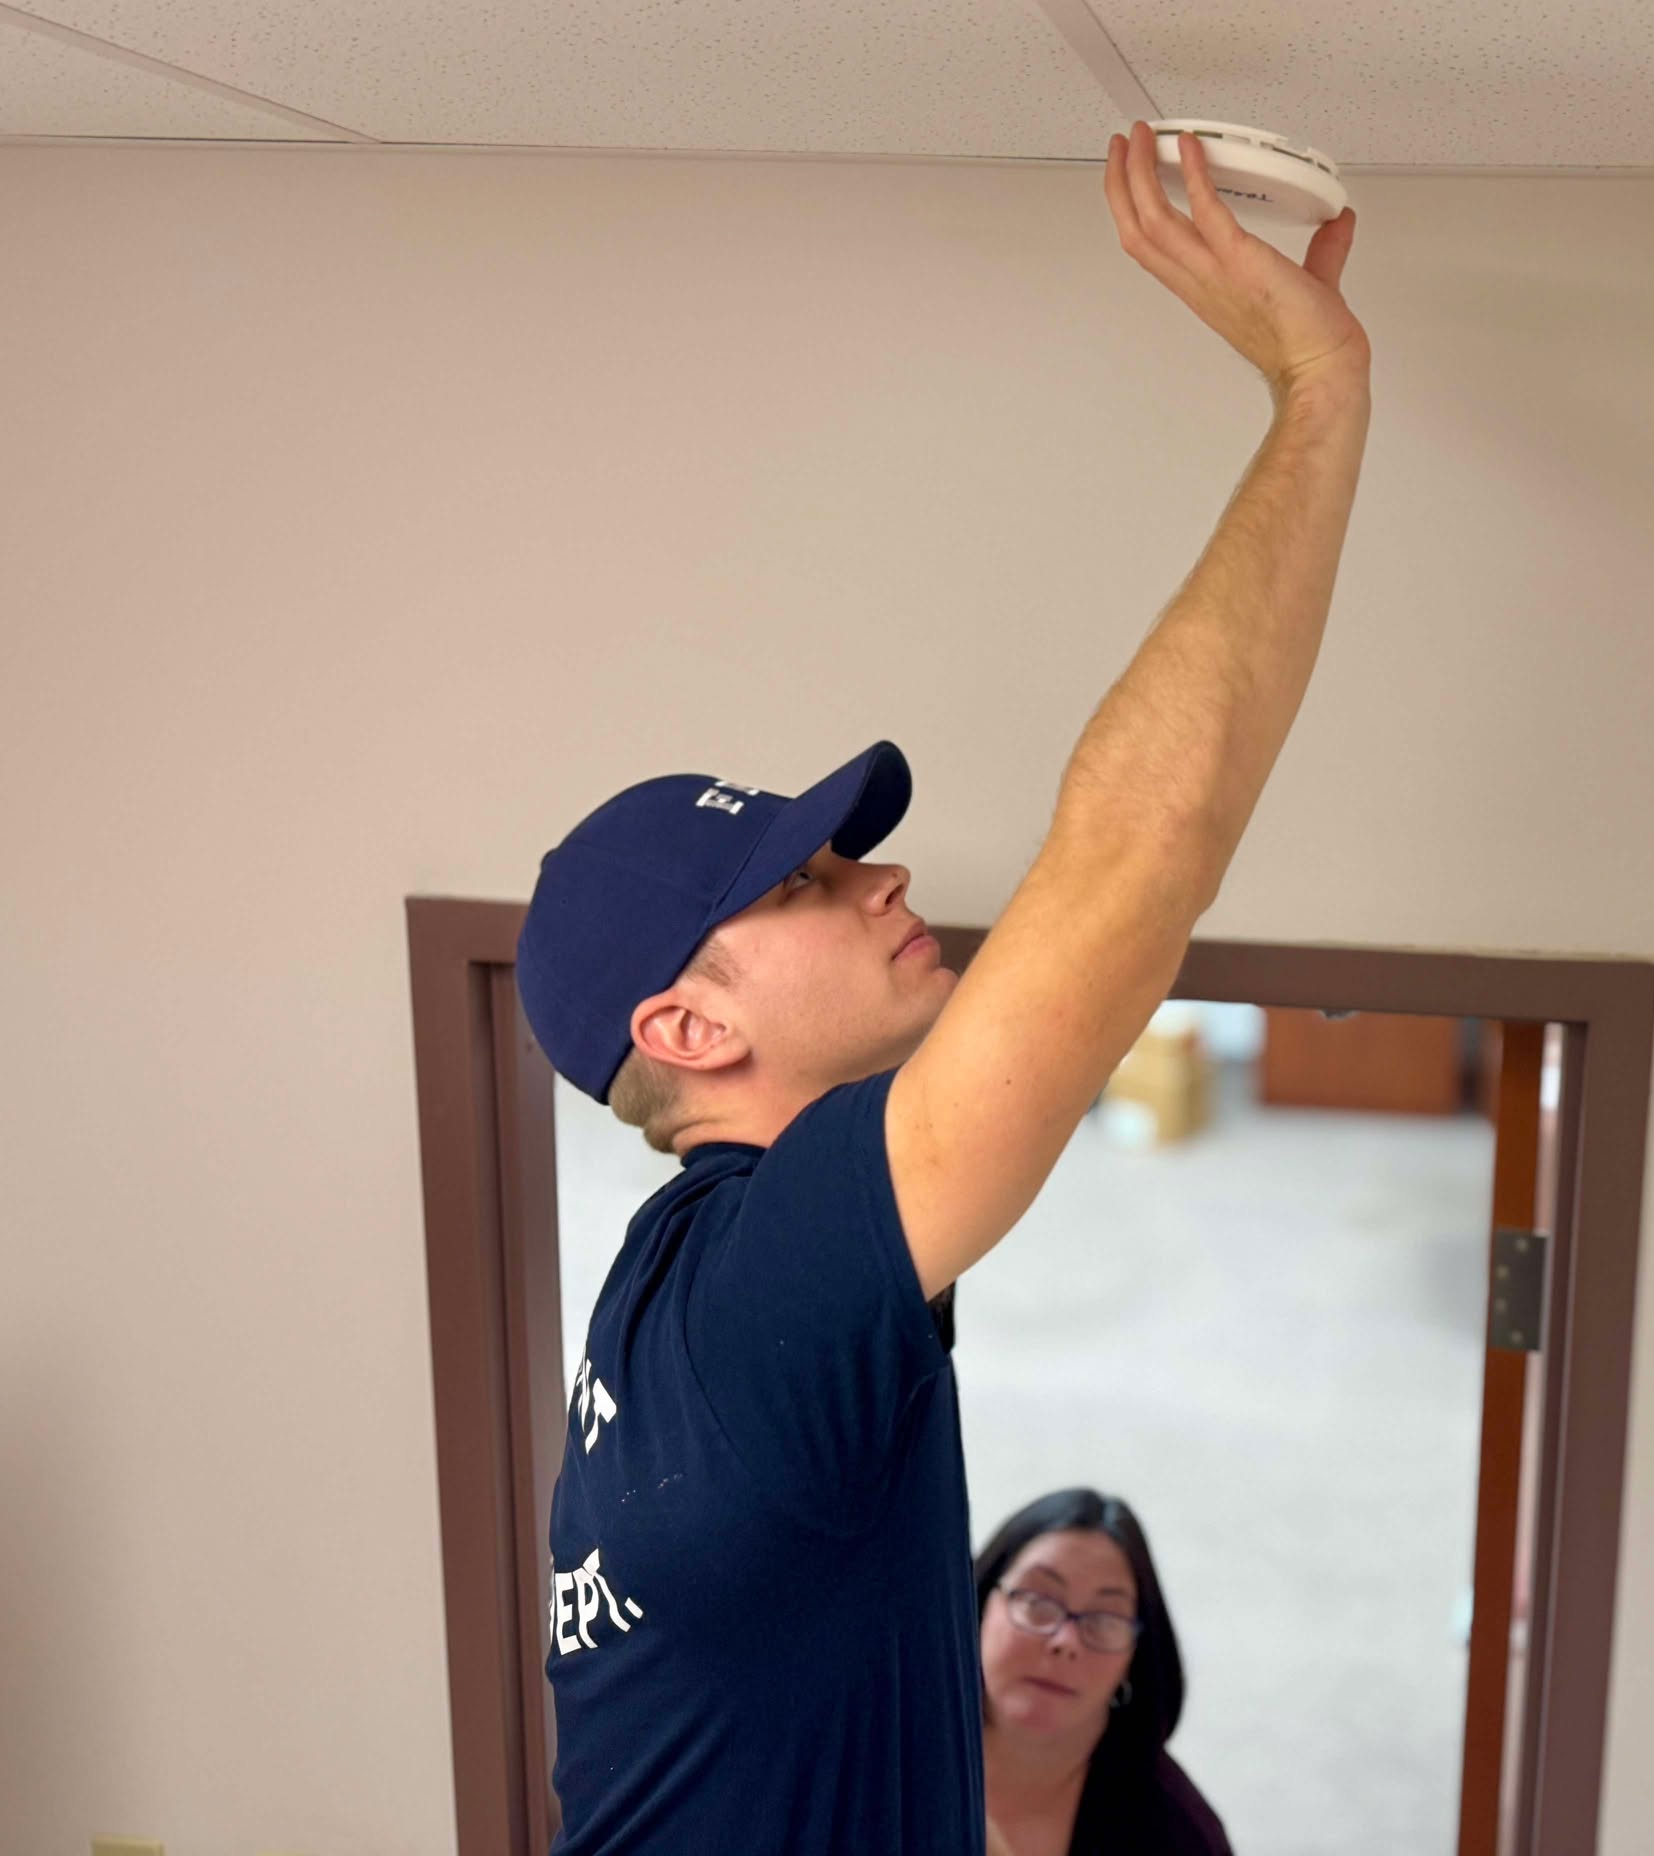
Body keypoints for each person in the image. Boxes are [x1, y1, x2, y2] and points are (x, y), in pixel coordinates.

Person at [511, 118, 1371, 1853]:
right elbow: (1140, 855)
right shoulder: (767, 1279)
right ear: (687, 1030)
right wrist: (1318, 391)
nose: (885, 876)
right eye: (814, 879)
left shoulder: (686, 1292)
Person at [977, 1490, 1234, 1856]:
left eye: (1104, 1619)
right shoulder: (890, 1745)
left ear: (1134, 1657)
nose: (1065, 1641)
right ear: (979, 1604)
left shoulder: (1177, 1831)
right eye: (1038, 1601)